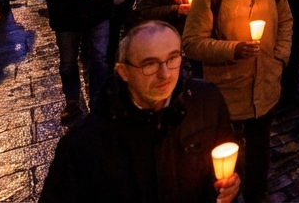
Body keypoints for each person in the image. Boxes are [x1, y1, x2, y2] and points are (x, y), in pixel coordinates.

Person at [40, 21, 240, 203]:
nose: (165, 74)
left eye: (172, 58)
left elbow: (231, 153)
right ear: (123, 72)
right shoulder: (85, 142)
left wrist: (232, 184)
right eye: (149, 64)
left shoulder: (206, 100)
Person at [183, 0, 293, 203]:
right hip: (228, 91)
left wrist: (279, 56)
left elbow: (286, 21)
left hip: (265, 83)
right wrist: (233, 49)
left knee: (260, 151)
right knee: (227, 155)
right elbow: (192, 43)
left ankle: (258, 195)